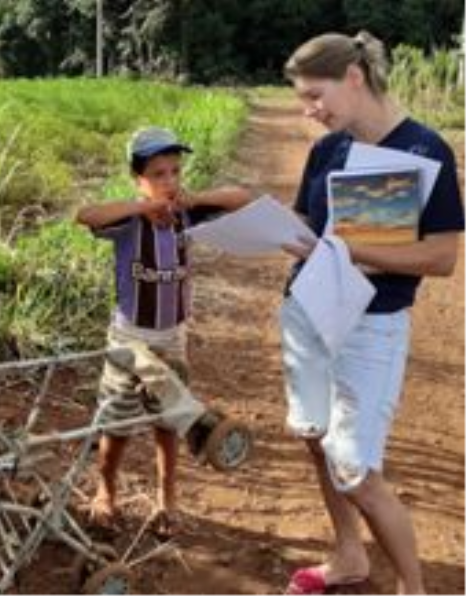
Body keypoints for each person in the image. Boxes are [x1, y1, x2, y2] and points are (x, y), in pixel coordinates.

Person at [280, 31, 465, 596]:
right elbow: (309, 229)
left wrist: (354, 251)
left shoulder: (425, 150)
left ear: (354, 78)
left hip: (371, 325)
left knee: (356, 470)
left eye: (315, 96)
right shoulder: (328, 150)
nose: (309, 112)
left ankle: (414, 588)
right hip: (309, 314)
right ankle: (349, 556)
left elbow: (441, 256)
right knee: (315, 437)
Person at [75, 126, 252, 536]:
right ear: (138, 180)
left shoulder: (187, 215)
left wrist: (197, 198)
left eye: (175, 171)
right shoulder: (128, 224)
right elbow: (85, 215)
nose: (170, 182)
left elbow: (245, 199)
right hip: (129, 337)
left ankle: (166, 497)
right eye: (158, 174)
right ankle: (106, 490)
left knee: (168, 421)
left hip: (172, 337)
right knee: (116, 423)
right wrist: (141, 208)